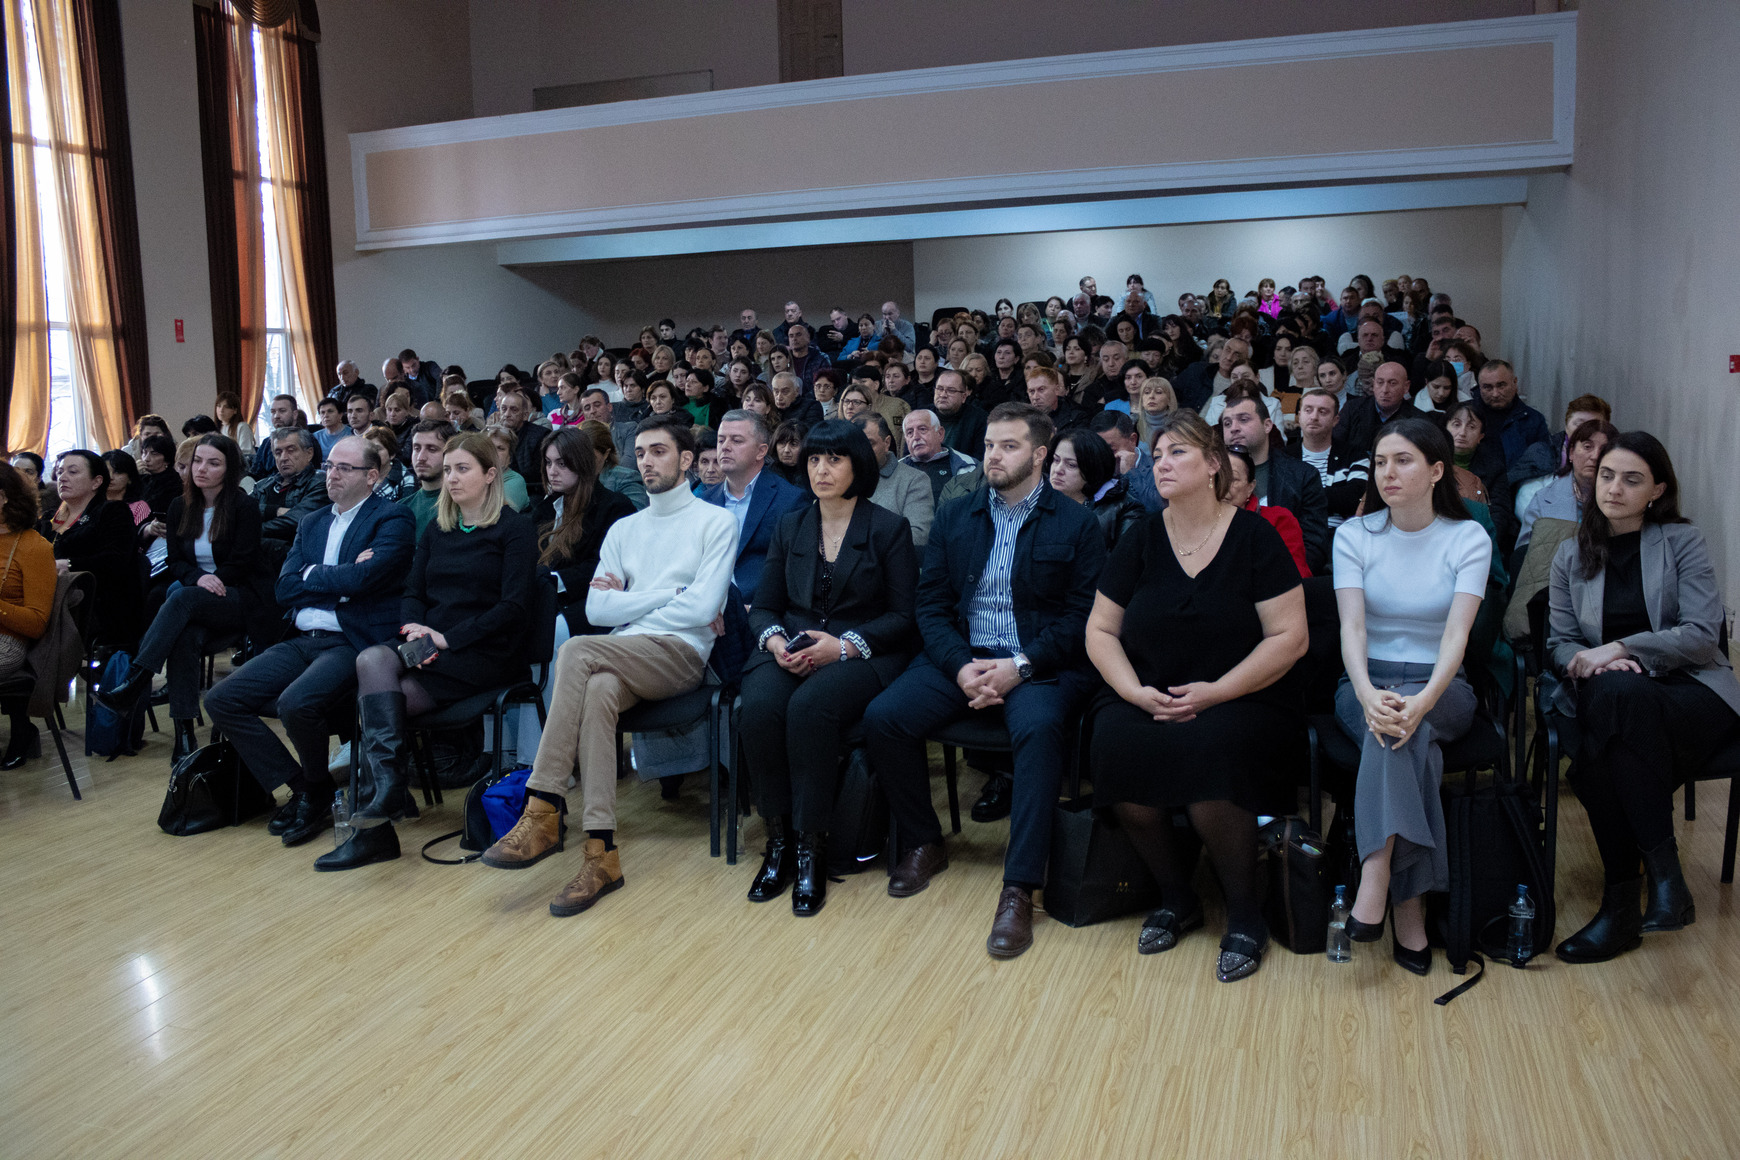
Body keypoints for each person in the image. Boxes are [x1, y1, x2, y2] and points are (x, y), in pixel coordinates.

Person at [863, 403, 1106, 960]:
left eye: (1008, 446)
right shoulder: (957, 514)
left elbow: (1082, 618)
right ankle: (924, 841)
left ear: (1039, 455)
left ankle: (1020, 886)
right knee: (885, 718)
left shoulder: (1077, 523)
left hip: (1039, 665)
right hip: (964, 658)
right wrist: (959, 666)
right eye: (990, 445)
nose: (993, 456)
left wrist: (1019, 666)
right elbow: (930, 605)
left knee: (1039, 732)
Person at [479, 420, 738, 917]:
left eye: (659, 451)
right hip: (622, 651)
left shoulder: (715, 522)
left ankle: (543, 806)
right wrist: (671, 593)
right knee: (596, 688)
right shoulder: (625, 529)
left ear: (686, 460)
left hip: (681, 654)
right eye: (640, 453)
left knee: (576, 650)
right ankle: (601, 853)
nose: (647, 461)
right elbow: (598, 610)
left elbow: (705, 608)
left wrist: (634, 601)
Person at [1086, 409, 1307, 983]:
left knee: (1212, 752)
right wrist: (1133, 691)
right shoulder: (1141, 537)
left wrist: (1217, 692)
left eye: (1177, 452)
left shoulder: (1255, 537)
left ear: (1213, 465)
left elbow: (1290, 637)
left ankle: (1245, 911)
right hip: (1150, 691)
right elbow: (1100, 630)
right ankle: (1177, 895)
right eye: (1157, 455)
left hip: (1243, 694)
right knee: (1115, 744)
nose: (1161, 463)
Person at [1547, 433, 1740, 963]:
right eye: (1606, 475)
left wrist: (1620, 648)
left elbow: (1701, 634)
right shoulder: (1570, 554)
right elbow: (1560, 642)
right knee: (1618, 697)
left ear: (1656, 490)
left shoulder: (1682, 542)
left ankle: (1622, 907)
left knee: (1601, 752)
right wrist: (1593, 662)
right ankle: (1665, 881)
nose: (1614, 488)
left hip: (1690, 689)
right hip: (1610, 693)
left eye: (1632, 480)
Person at [324, 433, 540, 871]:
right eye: (448, 471)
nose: (452, 478)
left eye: (462, 469)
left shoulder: (514, 528)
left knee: (380, 699)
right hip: (430, 644)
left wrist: (446, 639)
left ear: (490, 475)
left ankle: (377, 822)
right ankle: (387, 795)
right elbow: (413, 594)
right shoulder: (438, 529)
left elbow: (514, 608)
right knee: (371, 661)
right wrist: (414, 633)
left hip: (485, 652)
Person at [1331, 418, 1490, 975]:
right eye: (1380, 462)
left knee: (1403, 728)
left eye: (1403, 461)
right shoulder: (1354, 535)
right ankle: (1409, 907)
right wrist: (1366, 692)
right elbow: (1352, 629)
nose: (1387, 473)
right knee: (1402, 738)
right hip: (1365, 678)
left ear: (1437, 470)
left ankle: (1374, 871)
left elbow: (1456, 637)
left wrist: (1422, 700)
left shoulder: (1467, 537)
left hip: (1442, 684)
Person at [203, 436, 418, 847]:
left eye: (344, 468)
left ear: (371, 476)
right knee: (222, 699)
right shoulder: (312, 522)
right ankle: (308, 788)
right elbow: (284, 589)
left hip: (350, 642)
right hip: (302, 638)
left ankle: (315, 791)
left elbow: (366, 579)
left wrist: (313, 575)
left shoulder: (392, 518)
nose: (332, 475)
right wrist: (338, 578)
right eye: (329, 467)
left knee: (296, 704)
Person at [741, 420, 920, 914]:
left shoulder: (888, 528)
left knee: (810, 708)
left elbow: (904, 616)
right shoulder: (791, 525)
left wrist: (842, 647)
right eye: (815, 459)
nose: (821, 469)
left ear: (858, 465)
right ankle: (778, 840)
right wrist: (777, 644)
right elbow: (764, 606)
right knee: (759, 708)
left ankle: (811, 848)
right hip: (793, 645)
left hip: (864, 650)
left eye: (835, 459)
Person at [96, 435, 262, 762]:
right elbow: (176, 562)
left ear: (228, 470)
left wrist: (212, 579)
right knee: (184, 636)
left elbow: (244, 561)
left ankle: (136, 680)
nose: (201, 469)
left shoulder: (244, 506)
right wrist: (198, 578)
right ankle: (184, 735)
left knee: (180, 597)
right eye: (197, 461)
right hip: (195, 599)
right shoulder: (179, 506)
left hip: (237, 596)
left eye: (213, 463)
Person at [534, 427, 638, 641]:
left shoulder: (614, 507)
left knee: (551, 631)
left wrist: (551, 581)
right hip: (541, 597)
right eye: (548, 463)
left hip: (587, 601)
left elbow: (602, 567)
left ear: (582, 463)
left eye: (562, 464)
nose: (552, 471)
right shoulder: (545, 508)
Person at [1217, 384, 1328, 574]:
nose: (1233, 428)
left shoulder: (1303, 475)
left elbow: (1313, 547)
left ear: (1267, 425)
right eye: (1227, 423)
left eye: (1243, 419)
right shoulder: (1211, 475)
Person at [700, 410, 809, 600]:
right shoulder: (704, 501)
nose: (725, 447)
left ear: (761, 451)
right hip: (705, 603)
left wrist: (758, 609)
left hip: (759, 606)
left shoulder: (791, 500)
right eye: (721, 440)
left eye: (736, 440)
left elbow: (797, 573)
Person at [39, 450, 143, 649]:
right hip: (50, 599)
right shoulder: (49, 519)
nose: (63, 477)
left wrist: (69, 564)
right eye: (60, 472)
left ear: (96, 482)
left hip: (98, 604)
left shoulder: (112, 511)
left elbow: (116, 560)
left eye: (72, 472)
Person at [0, 462, 57, 767]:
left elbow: (36, 624)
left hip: (9, 641)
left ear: (3, 497)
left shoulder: (34, 547)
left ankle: (22, 731)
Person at [1517, 419, 1618, 553]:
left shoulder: (1620, 497)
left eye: (1604, 450)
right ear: (1571, 452)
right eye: (1587, 447)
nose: (1595, 456)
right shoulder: (1543, 498)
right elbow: (1524, 554)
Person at [1047, 428, 1143, 551]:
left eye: (1071, 465)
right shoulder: (1040, 502)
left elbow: (1124, 559)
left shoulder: (1126, 510)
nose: (1057, 470)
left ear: (1092, 469)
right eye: (1056, 460)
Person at [1287, 388, 1369, 529]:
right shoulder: (1284, 457)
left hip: (1340, 534)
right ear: (1299, 417)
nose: (1314, 417)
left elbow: (1354, 498)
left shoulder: (1356, 455)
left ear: (1335, 420)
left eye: (1323, 412)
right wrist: (1334, 497)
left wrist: (1301, 494)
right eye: (1308, 410)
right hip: (1295, 534)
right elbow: (1280, 500)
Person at [1444, 402, 1517, 553]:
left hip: (1478, 541)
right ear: (1445, 428)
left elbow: (1499, 512)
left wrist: (1481, 543)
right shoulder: (1430, 462)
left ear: (1480, 436)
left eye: (1471, 427)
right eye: (1456, 425)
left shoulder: (1493, 467)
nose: (1462, 432)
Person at [851, 412, 932, 548]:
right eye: (854, 443)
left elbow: (918, 536)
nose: (861, 450)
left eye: (869, 443)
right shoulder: (840, 478)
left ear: (886, 442)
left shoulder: (914, 480)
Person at [1226, 448, 1309, 578]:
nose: (1223, 486)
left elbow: (1295, 577)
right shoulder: (1198, 524)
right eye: (1217, 478)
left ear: (1250, 487)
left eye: (1233, 479)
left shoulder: (1278, 520)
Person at [1470, 359, 1552, 480]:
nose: (1495, 394)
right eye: (1488, 387)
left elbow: (1542, 462)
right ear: (1479, 387)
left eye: (1501, 385)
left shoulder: (1533, 420)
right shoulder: (1466, 416)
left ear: (1514, 382)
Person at [257, 427, 328, 559]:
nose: (283, 458)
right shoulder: (262, 485)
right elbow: (239, 511)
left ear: (309, 453)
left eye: (291, 450)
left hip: (295, 556)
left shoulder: (320, 483)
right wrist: (275, 511)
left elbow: (297, 521)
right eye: (278, 452)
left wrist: (251, 531)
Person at [1335, 360, 1422, 456]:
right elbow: (1336, 447)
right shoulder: (1352, 409)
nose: (1385, 390)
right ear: (1373, 384)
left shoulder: (1418, 419)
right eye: (1380, 382)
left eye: (1392, 383)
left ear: (1406, 387)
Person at [901, 409, 978, 504]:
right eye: (910, 432)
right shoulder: (896, 469)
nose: (916, 437)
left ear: (940, 434)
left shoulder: (968, 465)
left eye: (922, 429)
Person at [580, 419, 649, 510]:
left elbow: (636, 514)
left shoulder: (627, 478)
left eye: (590, 456)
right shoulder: (572, 478)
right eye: (577, 455)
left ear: (606, 453)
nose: (583, 461)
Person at [932, 370, 988, 461]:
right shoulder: (922, 415)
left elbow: (979, 460)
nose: (943, 395)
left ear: (963, 397)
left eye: (951, 390)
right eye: (940, 389)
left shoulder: (979, 419)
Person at [484, 424, 533, 511]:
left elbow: (499, 514)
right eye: (489, 447)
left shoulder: (516, 481)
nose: (494, 452)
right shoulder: (476, 475)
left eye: (500, 448)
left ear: (510, 456)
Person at [101, 450, 151, 527]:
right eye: (106, 472)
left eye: (117, 472)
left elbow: (137, 533)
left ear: (130, 478)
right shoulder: (91, 504)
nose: (110, 477)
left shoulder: (139, 507)